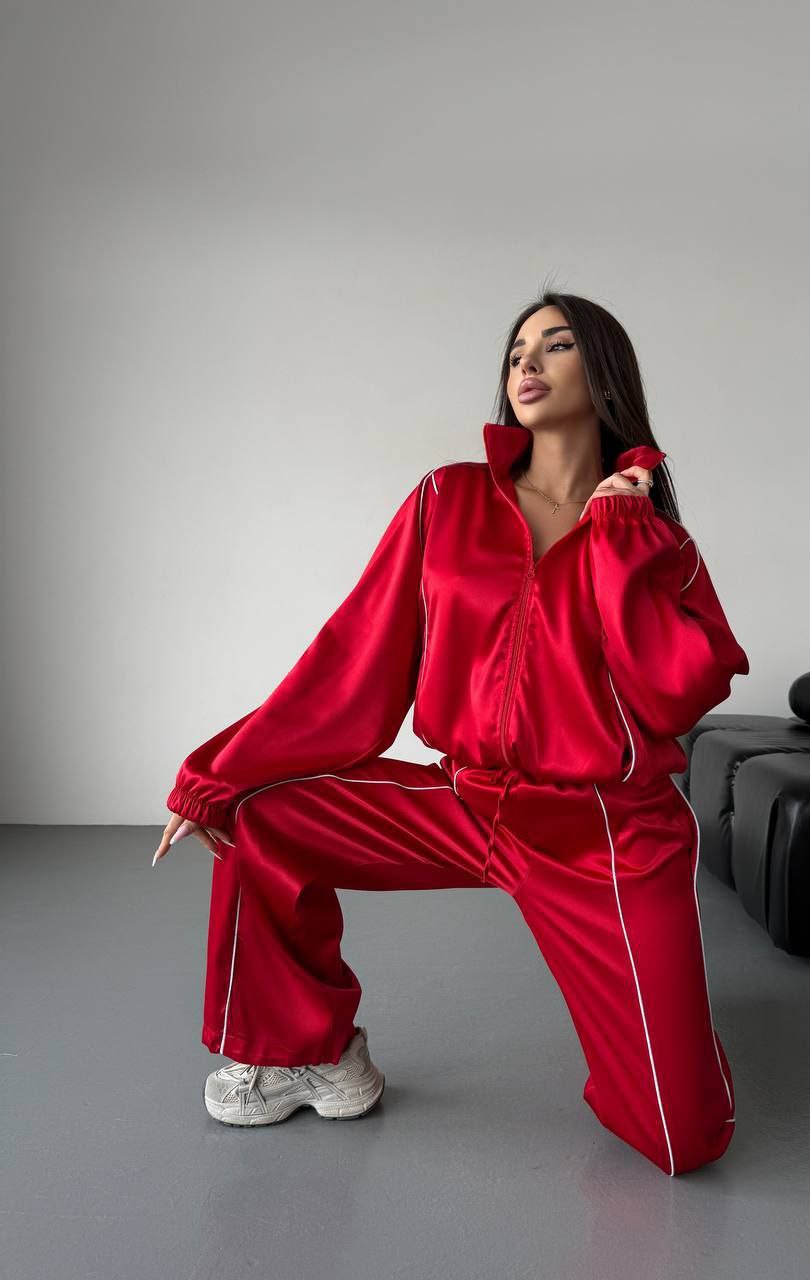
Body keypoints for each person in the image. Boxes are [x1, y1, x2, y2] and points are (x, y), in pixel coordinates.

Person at [153, 291, 750, 1175]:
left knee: (680, 1137)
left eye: (556, 345)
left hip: (604, 832)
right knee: (262, 814)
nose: (527, 363)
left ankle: (673, 1022)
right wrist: (216, 774)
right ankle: (309, 1053)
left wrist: (621, 542)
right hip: (467, 801)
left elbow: (674, 696)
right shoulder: (448, 498)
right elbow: (353, 658)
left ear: (605, 374)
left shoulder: (655, 540)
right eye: (516, 351)